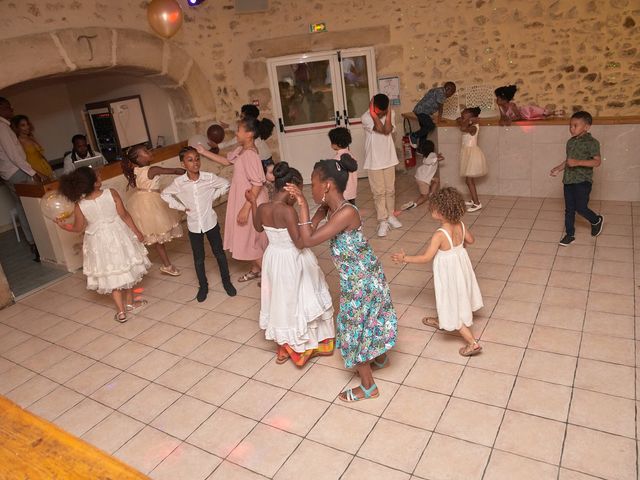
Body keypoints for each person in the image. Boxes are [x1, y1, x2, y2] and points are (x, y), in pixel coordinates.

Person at [284, 156, 397, 402]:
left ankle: (368, 386)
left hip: (362, 283)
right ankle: (379, 356)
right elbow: (309, 231)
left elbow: (306, 241)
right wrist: (314, 212)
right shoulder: (332, 208)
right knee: (369, 321)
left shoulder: (346, 213)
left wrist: (302, 204)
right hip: (363, 277)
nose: (309, 189)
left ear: (327, 186)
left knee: (353, 330)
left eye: (313, 183)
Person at [246, 162, 334, 366]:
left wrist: (252, 202)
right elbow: (301, 241)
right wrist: (307, 210)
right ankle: (301, 347)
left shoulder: (263, 207)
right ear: (292, 191)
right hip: (292, 259)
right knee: (299, 300)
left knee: (281, 301)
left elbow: (258, 227)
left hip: (273, 257)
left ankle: (284, 345)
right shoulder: (288, 211)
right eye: (299, 193)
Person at [391, 187, 483, 357]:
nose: (430, 210)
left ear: (440, 212)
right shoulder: (461, 225)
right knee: (455, 297)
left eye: (432, 208)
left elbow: (426, 257)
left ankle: (472, 343)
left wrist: (405, 259)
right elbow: (471, 240)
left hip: (449, 274)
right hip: (460, 270)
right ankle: (443, 319)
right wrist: (459, 247)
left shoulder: (440, 234)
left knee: (450, 301)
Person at [55, 167, 150, 323]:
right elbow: (124, 215)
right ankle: (131, 302)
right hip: (119, 236)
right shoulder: (111, 193)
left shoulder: (80, 205)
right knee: (126, 266)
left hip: (98, 242)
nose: (100, 176)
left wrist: (63, 226)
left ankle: (121, 312)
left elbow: (78, 227)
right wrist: (137, 232)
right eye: (97, 175)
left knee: (111, 273)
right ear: (93, 182)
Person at [195, 116, 267, 283]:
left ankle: (271, 278)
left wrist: (245, 208)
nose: (236, 133)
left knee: (250, 241)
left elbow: (257, 183)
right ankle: (256, 270)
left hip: (250, 201)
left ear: (249, 134)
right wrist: (203, 152)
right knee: (250, 238)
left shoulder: (250, 155)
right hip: (245, 199)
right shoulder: (241, 150)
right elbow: (227, 161)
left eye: (239, 130)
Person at [161, 147, 237, 301]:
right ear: (183, 164)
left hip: (210, 222)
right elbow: (165, 194)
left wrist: (213, 198)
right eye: (190, 160)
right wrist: (181, 207)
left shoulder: (208, 178)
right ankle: (203, 286)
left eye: (197, 159)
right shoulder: (179, 183)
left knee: (219, 254)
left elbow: (226, 184)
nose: (195, 163)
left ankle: (227, 282)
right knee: (198, 258)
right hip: (194, 225)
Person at [121, 144, 185, 276]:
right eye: (145, 151)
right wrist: (188, 170)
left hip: (141, 202)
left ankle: (164, 264)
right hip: (151, 203)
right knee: (157, 235)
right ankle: (166, 265)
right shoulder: (153, 169)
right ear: (138, 158)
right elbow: (175, 171)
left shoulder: (136, 170)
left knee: (153, 236)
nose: (149, 152)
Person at [549, 111, 604, 246]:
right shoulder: (570, 142)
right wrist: (558, 168)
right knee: (569, 209)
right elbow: (569, 161)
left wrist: (578, 162)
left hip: (583, 181)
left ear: (586, 127)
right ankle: (570, 234)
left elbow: (597, 162)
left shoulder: (592, 142)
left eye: (575, 125)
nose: (571, 128)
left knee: (581, 208)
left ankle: (596, 220)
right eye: (570, 125)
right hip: (568, 180)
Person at [0, 97, 40, 261]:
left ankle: (35, 242)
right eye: (8, 107)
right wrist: (32, 172)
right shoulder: (2, 128)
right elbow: (14, 155)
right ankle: (35, 242)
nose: (12, 109)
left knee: (23, 206)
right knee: (28, 207)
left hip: (12, 172)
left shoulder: (4, 126)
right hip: (17, 171)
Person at [361, 93, 402, 237]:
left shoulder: (391, 113)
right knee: (379, 192)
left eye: (382, 111)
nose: (380, 113)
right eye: (377, 111)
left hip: (389, 159)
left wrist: (389, 113)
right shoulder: (366, 117)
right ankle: (382, 220)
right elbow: (381, 129)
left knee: (390, 190)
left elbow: (388, 130)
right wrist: (373, 113)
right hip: (374, 161)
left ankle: (390, 216)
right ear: (373, 107)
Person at [456, 107, 488, 212]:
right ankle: (472, 200)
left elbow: (463, 129)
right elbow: (458, 121)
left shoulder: (474, 127)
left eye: (464, 115)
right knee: (467, 179)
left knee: (469, 180)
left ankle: (477, 203)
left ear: (471, 117)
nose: (462, 117)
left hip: (472, 154)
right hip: (467, 153)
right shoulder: (469, 123)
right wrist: (465, 119)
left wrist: (468, 121)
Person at [410, 82, 457, 149]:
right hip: (422, 111)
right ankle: (414, 135)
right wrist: (439, 120)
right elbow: (441, 108)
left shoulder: (438, 90)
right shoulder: (441, 93)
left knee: (424, 130)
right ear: (448, 89)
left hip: (421, 111)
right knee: (430, 126)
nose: (450, 96)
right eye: (451, 93)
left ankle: (421, 149)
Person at [400, 140, 444, 211]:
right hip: (423, 179)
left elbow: (430, 159)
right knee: (424, 197)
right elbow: (429, 161)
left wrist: (437, 157)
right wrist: (438, 158)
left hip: (421, 177)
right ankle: (414, 205)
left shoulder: (427, 155)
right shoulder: (432, 155)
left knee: (436, 180)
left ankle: (431, 195)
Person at [495, 85, 564, 125]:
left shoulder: (512, 106)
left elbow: (519, 117)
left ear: (505, 100)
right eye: (497, 98)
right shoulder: (501, 107)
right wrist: (502, 121)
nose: (497, 100)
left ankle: (554, 112)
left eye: (499, 99)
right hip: (522, 117)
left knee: (541, 112)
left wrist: (510, 120)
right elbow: (502, 117)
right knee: (539, 116)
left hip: (525, 112)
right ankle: (551, 113)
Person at [328, 127, 357, 205]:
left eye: (332, 142)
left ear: (338, 144)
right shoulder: (351, 155)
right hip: (352, 193)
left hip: (341, 194)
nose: (331, 144)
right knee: (351, 210)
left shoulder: (336, 159)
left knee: (342, 213)